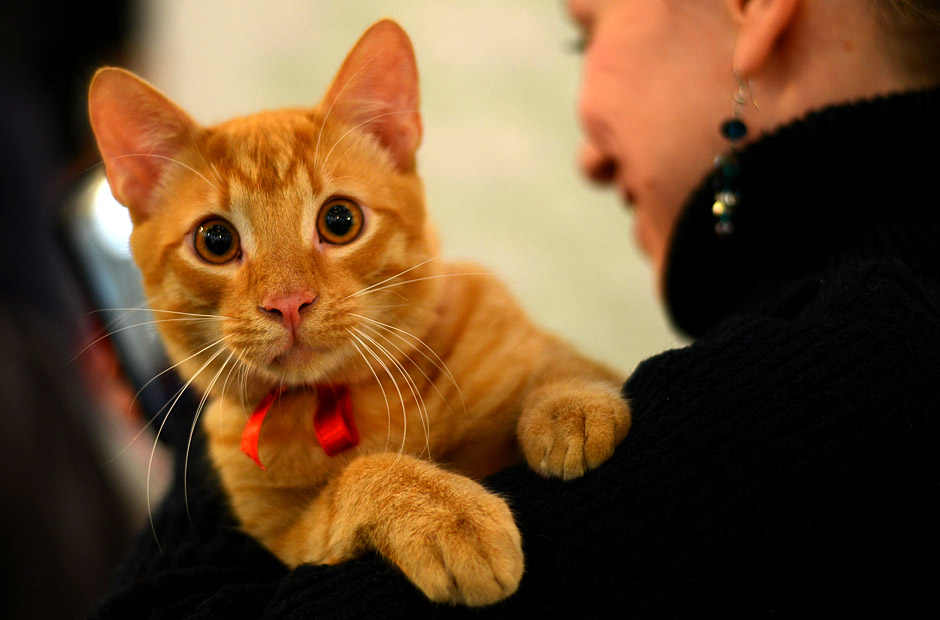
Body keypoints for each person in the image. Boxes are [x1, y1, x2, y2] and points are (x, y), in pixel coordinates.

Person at [90, 0, 940, 617]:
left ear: (754, 8)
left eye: (586, 33)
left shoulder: (857, 381)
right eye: (219, 242)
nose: (286, 296)